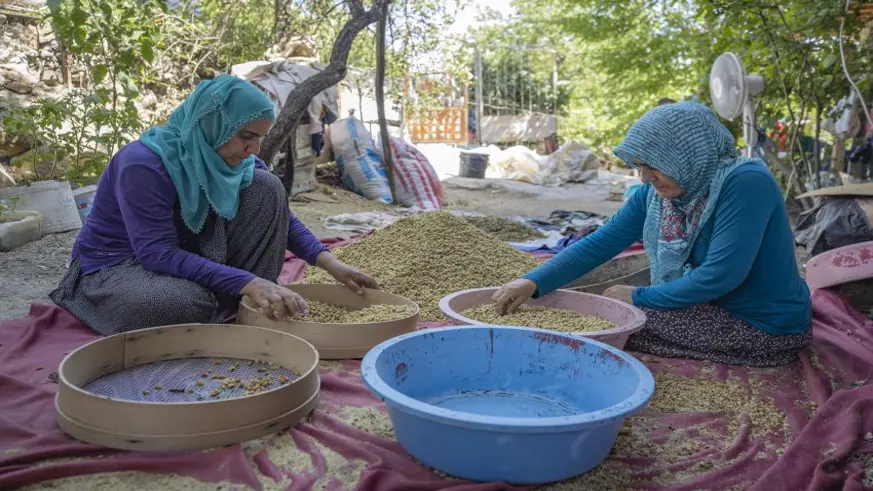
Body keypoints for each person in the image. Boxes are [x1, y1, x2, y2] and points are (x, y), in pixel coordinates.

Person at [51, 75, 377, 336]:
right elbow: (155, 252)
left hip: (189, 252)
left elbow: (283, 219)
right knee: (181, 304)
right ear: (212, 124)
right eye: (246, 137)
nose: (253, 149)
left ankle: (245, 298)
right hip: (120, 264)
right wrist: (245, 281)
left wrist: (331, 264)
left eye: (260, 139)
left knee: (267, 187)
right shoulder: (144, 164)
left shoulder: (233, 159)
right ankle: (232, 295)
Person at [493, 101, 812, 367]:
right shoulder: (661, 195)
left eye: (653, 165)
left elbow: (721, 276)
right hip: (711, 307)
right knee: (597, 320)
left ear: (686, 155)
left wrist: (637, 296)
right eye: (639, 166)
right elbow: (602, 242)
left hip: (762, 325)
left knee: (605, 329)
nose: (645, 178)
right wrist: (534, 281)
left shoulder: (745, 182)